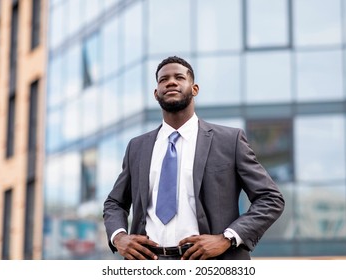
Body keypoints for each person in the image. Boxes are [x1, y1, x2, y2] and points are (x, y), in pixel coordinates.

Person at [103, 56, 285, 260]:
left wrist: (227, 238)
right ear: (156, 94)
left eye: (179, 77)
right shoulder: (137, 147)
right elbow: (114, 203)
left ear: (195, 89)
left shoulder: (229, 141)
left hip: (212, 264)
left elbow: (270, 198)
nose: (171, 82)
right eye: (163, 80)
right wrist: (119, 237)